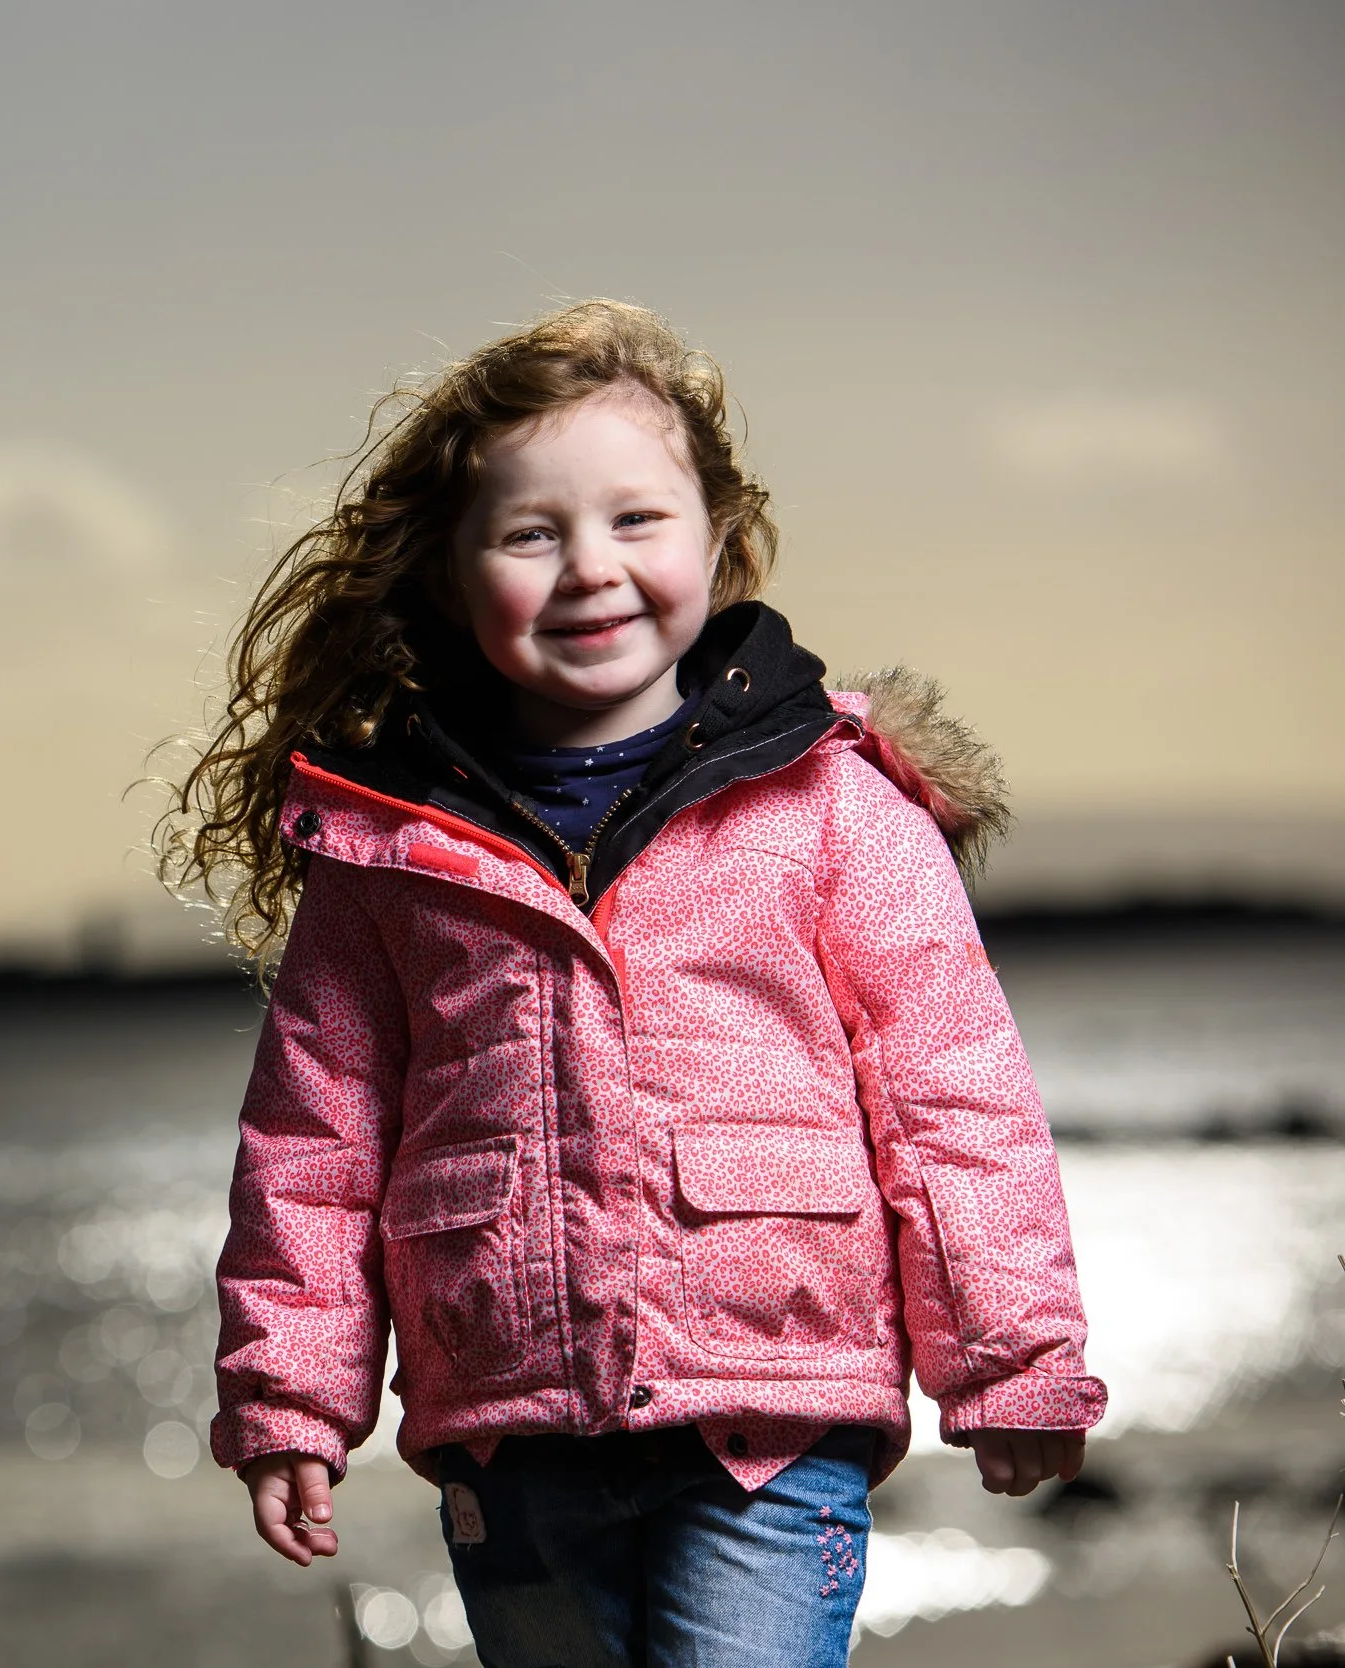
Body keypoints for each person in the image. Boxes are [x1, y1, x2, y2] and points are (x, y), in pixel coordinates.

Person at [160, 300, 1104, 1667]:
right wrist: (292, 1401)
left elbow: (952, 1095)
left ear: (718, 541)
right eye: (529, 534)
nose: (588, 568)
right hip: (513, 1432)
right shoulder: (386, 853)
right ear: (449, 572)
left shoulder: (835, 808)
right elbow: (314, 1146)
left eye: (636, 521)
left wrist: (1012, 1361)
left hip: (773, 1429)